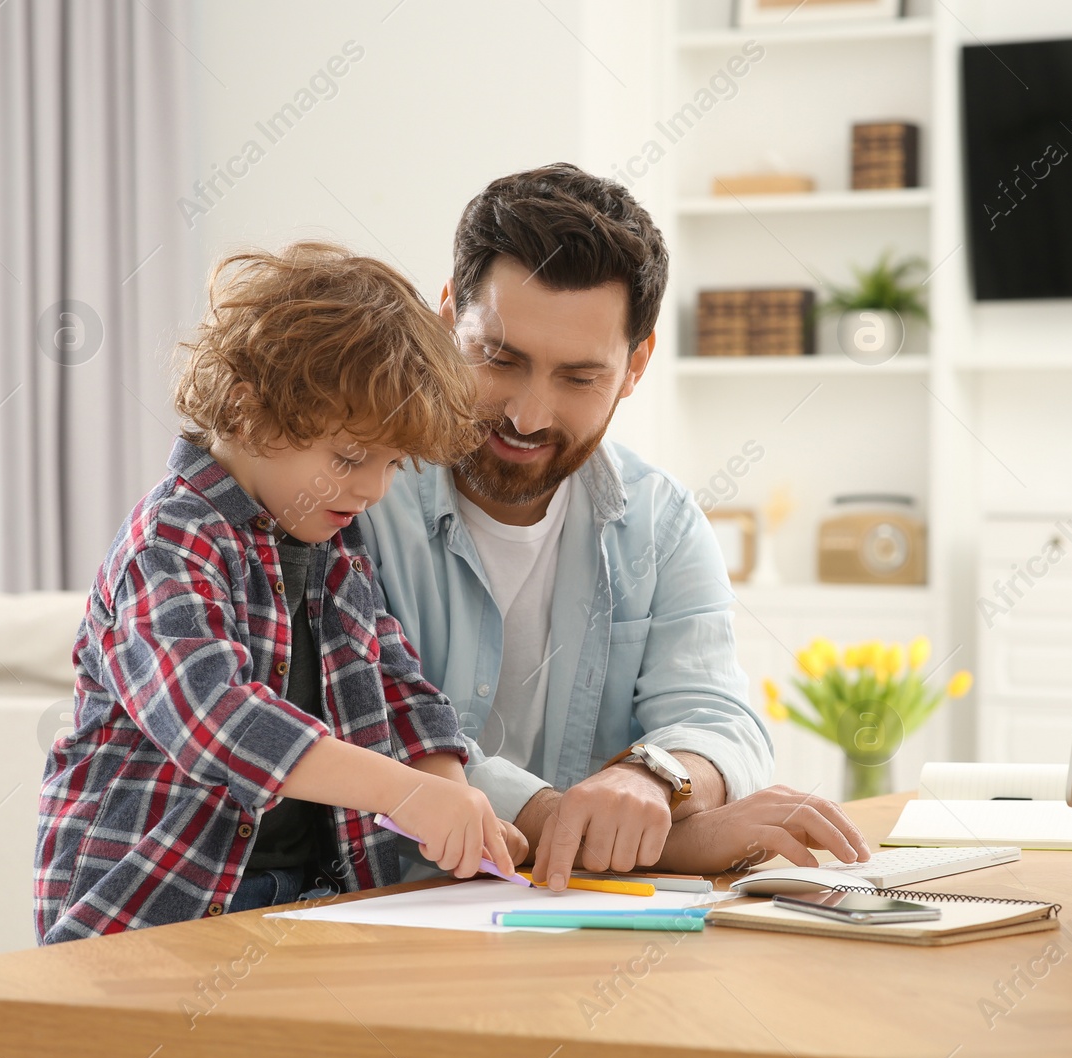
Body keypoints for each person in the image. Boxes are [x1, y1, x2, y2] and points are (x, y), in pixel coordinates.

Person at [358, 164, 871, 891]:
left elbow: (718, 718)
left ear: (635, 366)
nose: (528, 415)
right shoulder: (353, 499)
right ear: (447, 321)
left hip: (583, 927)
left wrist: (653, 777)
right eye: (499, 358)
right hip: (379, 920)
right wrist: (651, 836)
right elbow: (366, 727)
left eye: (578, 378)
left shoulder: (660, 521)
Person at [35, 242, 519, 943]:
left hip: (314, 898)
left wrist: (453, 795)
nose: (373, 489)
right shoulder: (169, 539)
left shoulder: (334, 540)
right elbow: (215, 719)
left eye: (391, 463)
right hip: (147, 913)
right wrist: (406, 793)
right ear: (248, 409)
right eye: (350, 457)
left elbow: (396, 681)